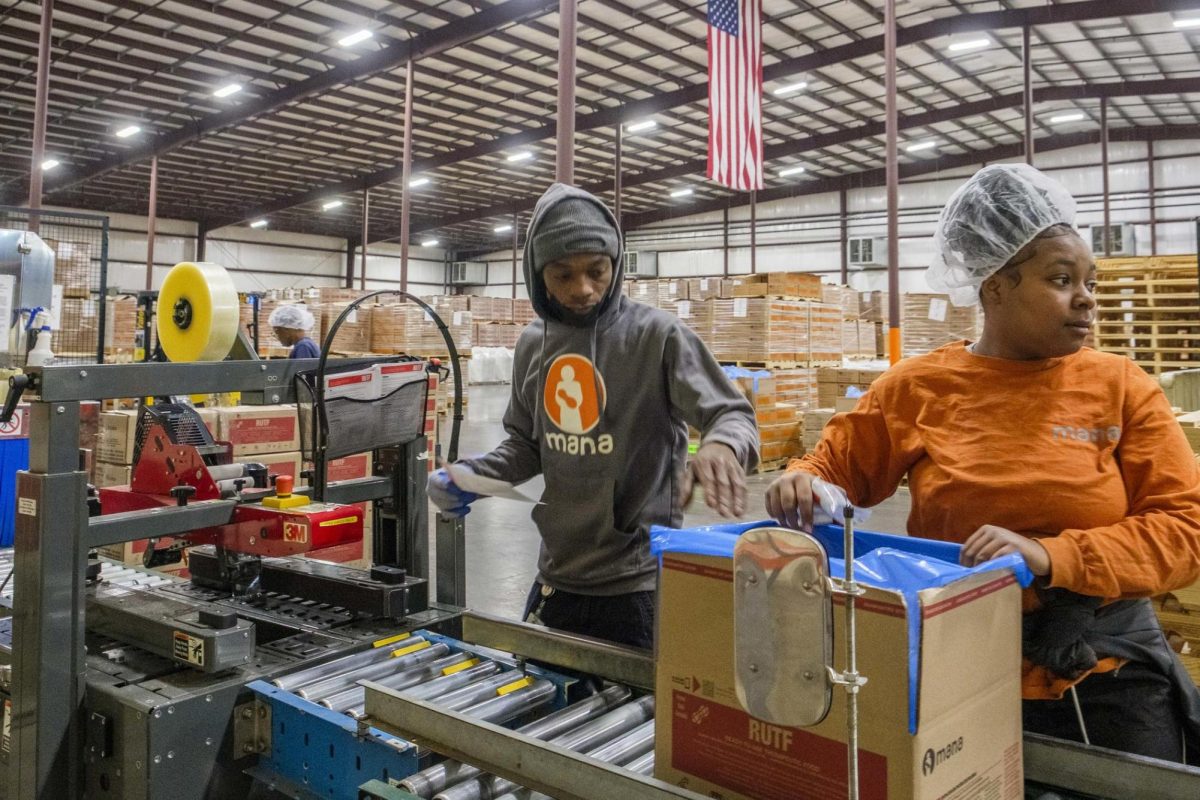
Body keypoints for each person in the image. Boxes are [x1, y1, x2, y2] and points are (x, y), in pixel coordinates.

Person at [766, 163, 1200, 762]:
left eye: (1089, 281)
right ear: (994, 286)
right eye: (1060, 279)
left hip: (1103, 670)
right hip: (957, 661)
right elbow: (835, 466)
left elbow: (1185, 531)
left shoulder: (1121, 387)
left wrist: (1052, 555)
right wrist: (803, 482)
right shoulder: (919, 387)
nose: (1087, 300)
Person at [427, 183, 760, 650]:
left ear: (616, 264)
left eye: (596, 271)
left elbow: (731, 413)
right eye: (562, 275)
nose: (582, 289)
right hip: (557, 577)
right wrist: (470, 475)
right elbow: (525, 446)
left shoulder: (657, 336)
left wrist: (721, 445)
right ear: (537, 275)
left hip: (638, 584)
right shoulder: (532, 345)